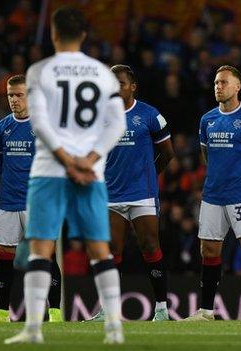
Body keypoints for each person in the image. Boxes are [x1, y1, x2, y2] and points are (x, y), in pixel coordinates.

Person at [4, 6, 126, 344]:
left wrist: (65, 160)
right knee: (99, 249)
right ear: (84, 35)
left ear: (54, 35)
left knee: (40, 248)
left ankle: (32, 330)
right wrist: (88, 159)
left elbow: (39, 123)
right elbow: (117, 123)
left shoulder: (39, 71)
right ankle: (114, 329)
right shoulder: (102, 73)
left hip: (48, 170)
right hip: (91, 173)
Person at [183, 65, 241, 321]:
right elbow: (206, 157)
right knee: (209, 250)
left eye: (223, 82)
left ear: (237, 87)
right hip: (212, 196)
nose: (218, 87)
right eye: (215, 83)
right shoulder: (207, 120)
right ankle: (207, 311)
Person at [89, 64, 174, 322]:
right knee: (112, 249)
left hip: (142, 194)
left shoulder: (149, 115)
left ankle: (161, 308)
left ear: (132, 86)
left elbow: (168, 153)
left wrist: (148, 175)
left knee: (149, 245)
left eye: (121, 83)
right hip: (112, 195)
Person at [0, 75, 63, 323]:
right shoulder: (1, 127)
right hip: (8, 201)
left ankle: (55, 312)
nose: (14, 100)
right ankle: (2, 312)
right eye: (10, 95)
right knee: (5, 254)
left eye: (19, 95)